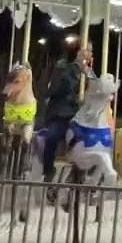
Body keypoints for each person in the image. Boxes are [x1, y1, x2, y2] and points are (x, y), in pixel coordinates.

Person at [41, 39, 88, 183]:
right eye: (86, 50)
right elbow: (56, 89)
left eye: (90, 50)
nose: (89, 54)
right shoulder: (62, 67)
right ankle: (49, 171)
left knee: (90, 141)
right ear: (77, 52)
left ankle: (83, 174)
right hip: (62, 113)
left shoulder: (86, 70)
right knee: (52, 137)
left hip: (79, 114)